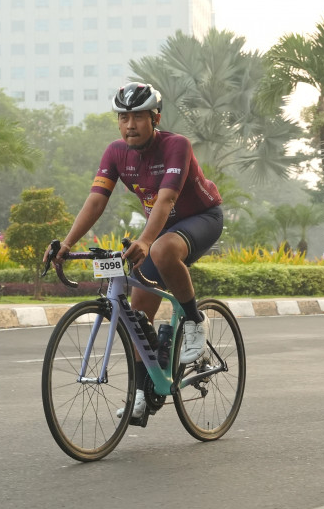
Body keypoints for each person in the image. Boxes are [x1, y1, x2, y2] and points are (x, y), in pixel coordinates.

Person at [47, 83, 224, 424]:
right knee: (138, 314)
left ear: (155, 118)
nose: (130, 125)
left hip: (201, 218)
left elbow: (167, 199)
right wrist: (67, 243)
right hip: (160, 229)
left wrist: (144, 241)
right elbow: (96, 201)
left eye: (139, 117)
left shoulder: (176, 146)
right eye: (123, 117)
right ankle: (144, 392)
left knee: (161, 248)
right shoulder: (116, 153)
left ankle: (194, 322)